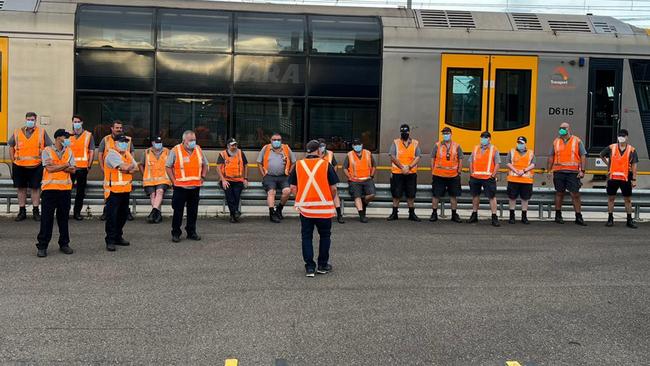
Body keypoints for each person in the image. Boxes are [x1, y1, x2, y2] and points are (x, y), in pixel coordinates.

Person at [289, 140, 339, 277]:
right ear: (319, 151)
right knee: (324, 236)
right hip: (324, 209)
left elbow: (293, 188)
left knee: (306, 237)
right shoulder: (325, 165)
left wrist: (302, 198)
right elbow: (333, 188)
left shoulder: (298, 165)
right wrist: (328, 198)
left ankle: (310, 268)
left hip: (306, 209)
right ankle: (322, 265)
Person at [36, 129, 76, 257]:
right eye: (66, 137)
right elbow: (49, 169)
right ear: (59, 138)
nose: (69, 139)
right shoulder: (47, 151)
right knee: (47, 219)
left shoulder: (69, 151)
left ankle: (64, 244)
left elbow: (73, 169)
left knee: (63, 219)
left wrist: (59, 166)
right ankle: (42, 246)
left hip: (65, 190)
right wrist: (65, 165)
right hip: (50, 190)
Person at [166, 130, 209, 243]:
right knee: (178, 212)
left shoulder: (198, 149)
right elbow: (168, 166)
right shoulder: (175, 150)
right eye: (190, 140)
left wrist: (203, 177)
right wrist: (173, 181)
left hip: (195, 187)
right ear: (184, 140)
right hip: (180, 187)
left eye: (194, 140)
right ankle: (176, 233)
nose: (193, 142)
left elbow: (206, 164)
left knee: (193, 212)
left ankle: (191, 232)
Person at [9, 112, 52, 222]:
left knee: (35, 188)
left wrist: (44, 161)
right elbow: (11, 146)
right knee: (21, 188)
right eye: (28, 119)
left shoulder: (41, 132)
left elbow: (49, 147)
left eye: (32, 119)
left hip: (36, 166)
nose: (30, 121)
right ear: (25, 119)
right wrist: (13, 161)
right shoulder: (17, 132)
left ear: (35, 120)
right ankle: (22, 211)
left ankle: (36, 211)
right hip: (19, 166)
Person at [547, 122, 587, 226]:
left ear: (569, 129)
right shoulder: (556, 141)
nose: (561, 130)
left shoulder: (577, 141)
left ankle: (578, 216)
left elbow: (583, 156)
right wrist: (549, 170)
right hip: (559, 171)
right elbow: (551, 156)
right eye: (560, 128)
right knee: (559, 193)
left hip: (573, 173)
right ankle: (558, 215)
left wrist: (582, 170)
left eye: (564, 128)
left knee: (575, 194)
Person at [103, 135, 138, 252]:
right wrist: (128, 168)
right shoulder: (112, 154)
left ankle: (118, 237)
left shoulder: (127, 154)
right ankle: (110, 240)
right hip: (113, 191)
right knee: (112, 217)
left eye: (125, 142)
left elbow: (135, 168)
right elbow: (124, 166)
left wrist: (127, 168)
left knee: (122, 216)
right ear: (116, 143)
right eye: (122, 142)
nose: (124, 144)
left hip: (125, 190)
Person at [599, 129, 638, 228]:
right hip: (613, 177)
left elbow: (634, 165)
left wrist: (634, 179)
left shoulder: (631, 149)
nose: (621, 138)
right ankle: (610, 219)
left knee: (628, 200)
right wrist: (609, 164)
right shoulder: (612, 147)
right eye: (620, 136)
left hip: (626, 178)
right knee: (611, 198)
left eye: (623, 136)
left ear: (627, 137)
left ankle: (629, 220)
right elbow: (601, 154)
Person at [98, 120, 135, 221]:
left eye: (120, 128)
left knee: (123, 198)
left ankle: (126, 211)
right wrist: (102, 167)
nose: (119, 130)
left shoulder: (128, 140)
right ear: (112, 128)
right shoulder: (105, 140)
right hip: (110, 171)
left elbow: (132, 154)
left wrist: (130, 166)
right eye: (117, 128)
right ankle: (106, 211)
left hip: (124, 177)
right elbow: (100, 154)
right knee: (109, 195)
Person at [257, 133, 295, 223]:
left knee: (287, 191)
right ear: (271, 140)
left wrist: (289, 172)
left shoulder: (286, 148)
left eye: (278, 140)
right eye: (274, 140)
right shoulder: (266, 148)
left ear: (281, 141)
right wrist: (263, 174)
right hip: (269, 176)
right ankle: (272, 213)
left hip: (283, 176)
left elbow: (294, 162)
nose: (276, 141)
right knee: (271, 192)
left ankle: (279, 209)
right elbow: (259, 162)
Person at [387, 124, 421, 221]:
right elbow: (392, 156)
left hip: (411, 173)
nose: (404, 134)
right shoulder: (395, 142)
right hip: (398, 172)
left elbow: (418, 157)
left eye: (405, 132)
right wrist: (402, 167)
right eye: (402, 132)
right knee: (396, 194)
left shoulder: (415, 143)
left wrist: (409, 167)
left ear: (409, 132)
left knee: (411, 194)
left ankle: (411, 214)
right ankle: (394, 213)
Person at [430, 127, 463, 223]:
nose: (445, 135)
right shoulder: (437, 145)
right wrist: (433, 170)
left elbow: (460, 158)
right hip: (438, 175)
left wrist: (459, 171)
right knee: (436, 195)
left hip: (453, 176)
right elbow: (432, 157)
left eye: (447, 133)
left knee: (453, 196)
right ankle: (434, 213)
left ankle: (454, 214)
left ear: (451, 134)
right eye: (444, 133)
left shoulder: (457, 146)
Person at [468, 131, 500, 227]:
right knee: (475, 196)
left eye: (485, 138)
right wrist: (471, 173)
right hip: (475, 177)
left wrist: (493, 176)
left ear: (489, 139)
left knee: (492, 197)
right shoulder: (475, 148)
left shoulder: (494, 149)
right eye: (482, 137)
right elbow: (470, 161)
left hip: (488, 178)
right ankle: (474, 215)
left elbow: (497, 163)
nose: (483, 139)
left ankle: (494, 217)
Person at [343, 138, 376, 223]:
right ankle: (362, 215)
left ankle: (364, 201)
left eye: (359, 144)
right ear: (353, 146)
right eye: (355, 145)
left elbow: (374, 165)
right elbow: (345, 168)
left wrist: (371, 175)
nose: (357, 146)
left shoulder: (368, 153)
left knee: (372, 194)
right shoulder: (349, 155)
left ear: (362, 145)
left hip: (367, 179)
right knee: (357, 196)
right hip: (354, 180)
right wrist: (349, 177)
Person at [217, 138, 249, 223]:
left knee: (236, 195)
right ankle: (235, 212)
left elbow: (246, 166)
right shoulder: (223, 154)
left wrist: (245, 178)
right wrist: (223, 180)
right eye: (232, 145)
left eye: (235, 144)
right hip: (226, 180)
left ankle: (233, 214)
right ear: (228, 146)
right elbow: (218, 168)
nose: (234, 146)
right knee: (229, 195)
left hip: (238, 180)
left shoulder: (240, 153)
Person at [140, 137, 171, 224]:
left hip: (163, 179)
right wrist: (144, 174)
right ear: (152, 143)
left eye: (160, 142)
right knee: (152, 194)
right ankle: (157, 215)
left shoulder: (167, 152)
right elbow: (141, 165)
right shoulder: (146, 152)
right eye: (157, 142)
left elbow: (172, 165)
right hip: (149, 180)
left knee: (160, 191)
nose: (159, 144)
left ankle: (153, 213)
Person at [69, 115, 95, 220]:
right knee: (66, 191)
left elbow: (92, 151)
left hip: (82, 168)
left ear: (82, 122)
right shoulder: (68, 135)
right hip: (69, 168)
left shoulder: (88, 135)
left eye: (78, 121)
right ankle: (65, 211)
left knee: (80, 192)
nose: (76, 123)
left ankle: (77, 213)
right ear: (72, 122)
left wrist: (89, 165)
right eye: (75, 121)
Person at [506, 136, 535, 224]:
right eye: (518, 143)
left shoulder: (531, 153)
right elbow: (508, 163)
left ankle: (524, 217)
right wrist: (516, 171)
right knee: (512, 198)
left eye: (521, 143)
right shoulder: (511, 151)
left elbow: (533, 164)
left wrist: (524, 171)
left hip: (526, 180)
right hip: (513, 179)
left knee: (525, 199)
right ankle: (512, 217)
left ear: (525, 144)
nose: (519, 144)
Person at [318, 138, 344, 223]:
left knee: (335, 194)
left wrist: (332, 174)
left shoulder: (330, 153)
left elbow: (335, 165)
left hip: (328, 178)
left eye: (323, 145)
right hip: (317, 179)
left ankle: (339, 215)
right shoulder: (314, 153)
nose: (321, 147)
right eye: (320, 145)